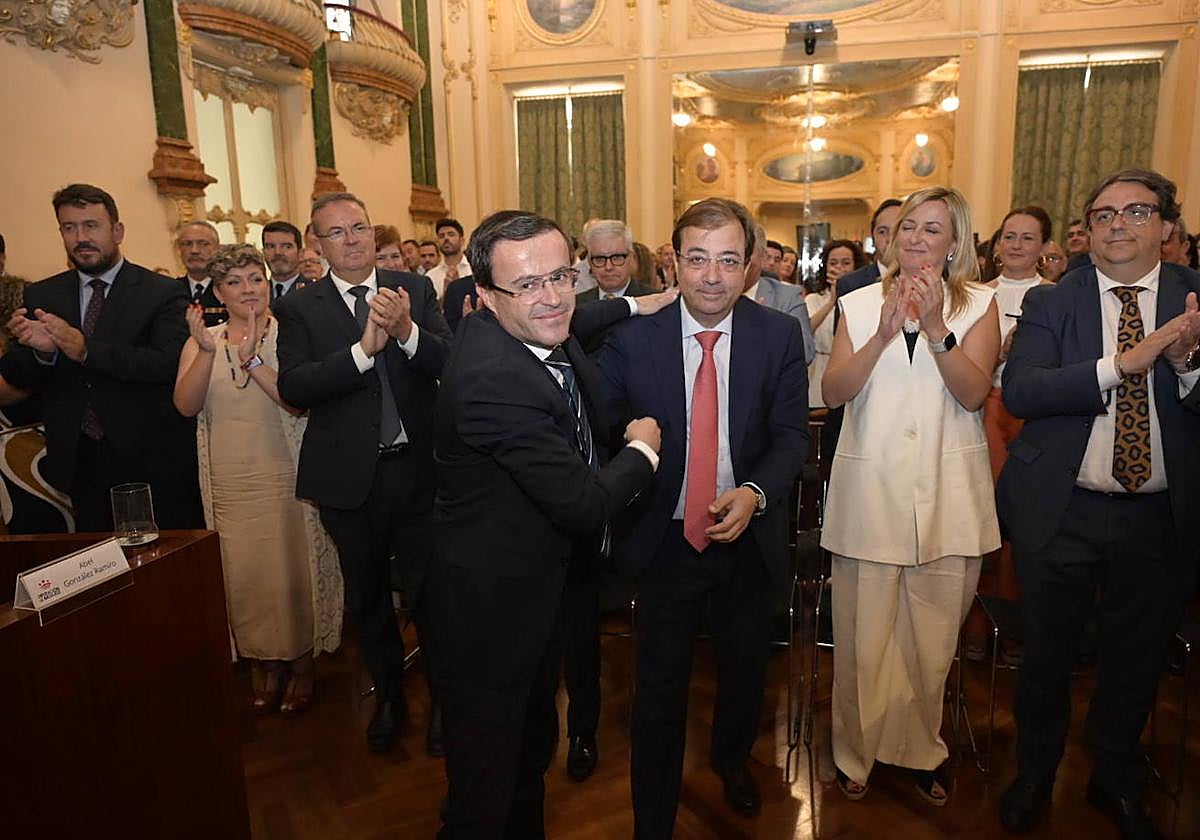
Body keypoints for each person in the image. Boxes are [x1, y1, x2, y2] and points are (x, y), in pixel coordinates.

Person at [424, 209, 660, 839]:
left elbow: (582, 319)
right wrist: (644, 450)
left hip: (536, 589)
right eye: (527, 284)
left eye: (560, 276)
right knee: (483, 796)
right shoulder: (493, 380)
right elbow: (582, 503)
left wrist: (642, 305)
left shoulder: (535, 330)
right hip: (487, 614)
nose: (552, 297)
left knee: (528, 760)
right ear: (485, 295)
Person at [996, 169, 1200, 840]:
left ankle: (1114, 776)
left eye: (1136, 211)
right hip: (1063, 508)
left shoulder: (1194, 300)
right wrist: (1123, 364)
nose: (1117, 223)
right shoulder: (1055, 300)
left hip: (1160, 515)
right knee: (1045, 657)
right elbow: (1023, 390)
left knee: (1137, 660)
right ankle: (1035, 773)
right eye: (1103, 213)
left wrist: (1186, 366)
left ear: (1166, 228)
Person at [597, 197, 809, 836]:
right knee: (658, 687)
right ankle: (652, 817)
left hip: (748, 538)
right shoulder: (633, 339)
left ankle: (732, 761)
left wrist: (755, 492)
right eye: (697, 259)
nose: (712, 277)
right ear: (673, 262)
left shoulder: (778, 335)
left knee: (745, 672)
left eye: (727, 260)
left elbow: (790, 437)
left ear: (749, 266)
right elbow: (606, 423)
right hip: (664, 540)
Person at [820, 186, 1001, 805]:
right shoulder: (858, 301)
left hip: (949, 497)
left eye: (932, 228)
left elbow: (973, 394)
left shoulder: (980, 303)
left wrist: (936, 329)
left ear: (955, 243)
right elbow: (834, 391)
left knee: (931, 642)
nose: (917, 238)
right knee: (862, 640)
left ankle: (922, 749)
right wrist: (880, 336)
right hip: (869, 492)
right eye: (909, 227)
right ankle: (855, 752)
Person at [275, 192, 453, 753]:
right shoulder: (301, 308)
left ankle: (446, 704)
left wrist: (406, 332)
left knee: (433, 596)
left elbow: (450, 362)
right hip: (351, 482)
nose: (351, 240)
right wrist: (361, 351)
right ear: (318, 243)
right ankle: (391, 699)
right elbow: (295, 386)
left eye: (359, 227)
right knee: (370, 599)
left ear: (373, 232)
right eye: (337, 232)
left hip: (420, 474)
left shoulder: (413, 289)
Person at [174, 244, 343, 715]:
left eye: (255, 278)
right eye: (234, 282)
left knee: (292, 573)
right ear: (218, 292)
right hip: (230, 482)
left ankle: (302, 664)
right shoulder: (202, 340)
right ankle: (265, 663)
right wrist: (209, 354)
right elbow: (185, 406)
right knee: (245, 578)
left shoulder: (292, 334)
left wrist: (252, 360)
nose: (248, 289)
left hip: (286, 474)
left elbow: (297, 403)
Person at [0, 183, 203, 531]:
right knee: (97, 559)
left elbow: (165, 364)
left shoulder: (161, 291)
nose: (81, 237)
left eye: (91, 226)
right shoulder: (43, 294)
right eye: (69, 227)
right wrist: (42, 353)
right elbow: (21, 375)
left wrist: (86, 350)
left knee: (162, 559)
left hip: (150, 458)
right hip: (78, 461)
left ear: (117, 231)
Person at [965, 206, 1054, 662]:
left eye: (1027, 238)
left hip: (1036, 416)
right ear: (997, 245)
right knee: (984, 513)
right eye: (1009, 236)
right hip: (984, 407)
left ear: (1044, 247)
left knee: (1026, 519)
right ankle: (976, 625)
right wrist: (997, 354)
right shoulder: (977, 296)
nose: (1016, 245)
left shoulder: (1057, 297)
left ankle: (1020, 629)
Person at [806, 239, 867, 409]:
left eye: (846, 263)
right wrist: (832, 301)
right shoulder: (813, 298)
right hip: (818, 370)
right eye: (833, 263)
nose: (839, 268)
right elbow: (806, 329)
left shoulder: (864, 299)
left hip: (852, 371)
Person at [745, 223, 816, 364]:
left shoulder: (788, 297)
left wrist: (762, 326)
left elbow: (805, 352)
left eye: (745, 251)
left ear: (761, 255)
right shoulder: (707, 296)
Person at [576, 220, 654, 304]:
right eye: (600, 259)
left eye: (616, 258)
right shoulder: (576, 306)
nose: (608, 267)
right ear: (589, 262)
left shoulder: (654, 303)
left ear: (632, 258)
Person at [839, 199, 902, 300]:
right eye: (882, 232)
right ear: (873, 239)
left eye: (897, 230)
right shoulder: (850, 284)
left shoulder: (925, 281)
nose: (890, 239)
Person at [176, 220, 227, 327]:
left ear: (217, 248)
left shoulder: (227, 289)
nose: (194, 250)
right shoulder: (172, 292)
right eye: (187, 244)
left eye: (203, 244)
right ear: (179, 249)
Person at [262, 220, 309, 302]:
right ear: (263, 252)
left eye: (287, 246)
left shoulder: (313, 291)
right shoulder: (257, 293)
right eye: (271, 246)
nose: (278, 252)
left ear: (301, 254)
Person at [427, 218, 473, 300]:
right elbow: (431, 306)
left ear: (462, 240)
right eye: (441, 236)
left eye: (451, 234)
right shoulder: (431, 276)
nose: (446, 238)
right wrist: (447, 292)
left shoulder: (474, 269)